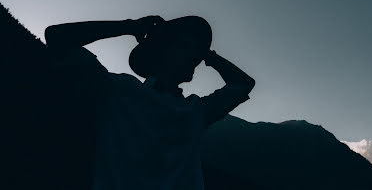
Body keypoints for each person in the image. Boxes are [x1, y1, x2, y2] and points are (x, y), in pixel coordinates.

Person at [44, 15, 255, 190]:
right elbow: (56, 36)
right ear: (162, 52)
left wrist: (209, 56)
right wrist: (129, 26)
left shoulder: (194, 111)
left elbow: (244, 84)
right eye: (185, 46)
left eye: (196, 51)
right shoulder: (118, 90)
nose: (194, 55)